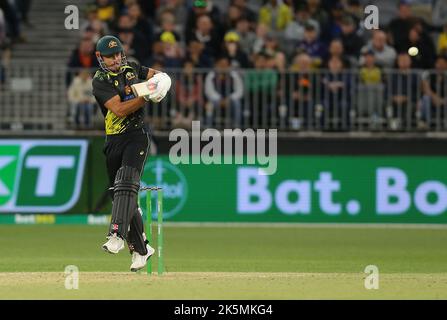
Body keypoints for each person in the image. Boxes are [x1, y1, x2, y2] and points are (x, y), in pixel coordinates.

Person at [92, 35, 171, 272]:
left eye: (118, 54)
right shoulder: (100, 81)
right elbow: (119, 109)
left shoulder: (132, 68)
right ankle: (142, 249)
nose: (116, 59)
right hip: (114, 140)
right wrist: (146, 95)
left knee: (126, 180)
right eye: (110, 56)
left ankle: (116, 234)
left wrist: (163, 81)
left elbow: (158, 75)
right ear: (100, 57)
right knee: (122, 195)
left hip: (137, 136)